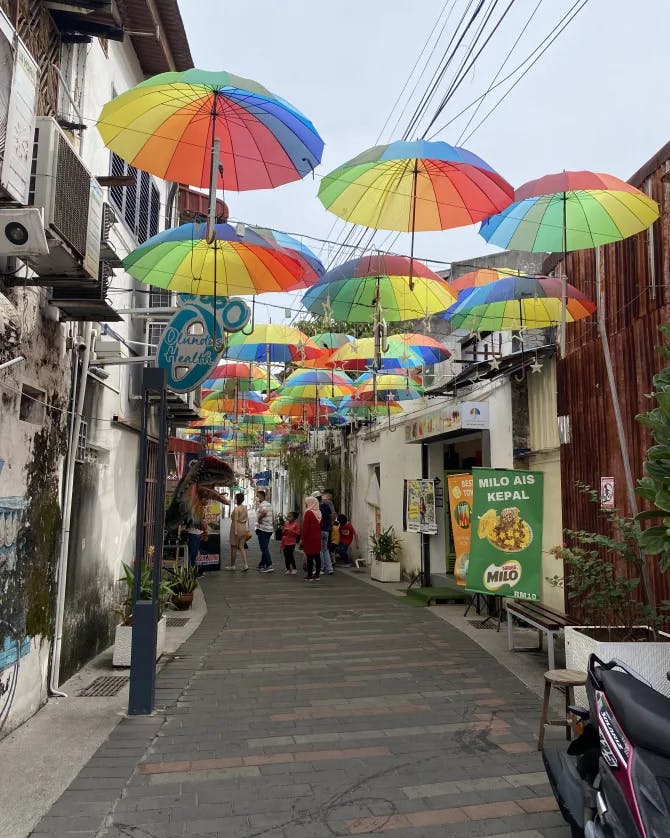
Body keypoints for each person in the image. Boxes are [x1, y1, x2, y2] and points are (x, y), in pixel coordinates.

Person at [184, 483, 230, 569]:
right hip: (194, 533)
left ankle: (192, 570)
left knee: (195, 553)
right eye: (206, 500)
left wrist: (219, 496)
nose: (207, 502)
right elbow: (200, 522)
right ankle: (190, 572)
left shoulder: (200, 507)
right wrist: (205, 530)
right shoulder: (195, 508)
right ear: (201, 499)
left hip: (198, 533)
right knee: (192, 553)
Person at [227, 492, 249, 572]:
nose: (234, 500)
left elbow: (235, 520)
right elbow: (246, 518)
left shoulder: (236, 509)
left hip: (236, 528)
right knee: (242, 546)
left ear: (237, 499)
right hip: (243, 528)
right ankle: (245, 564)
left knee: (233, 547)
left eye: (235, 498)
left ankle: (232, 565)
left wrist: (235, 530)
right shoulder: (244, 508)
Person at [302, 496, 322, 581]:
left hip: (309, 537)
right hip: (317, 536)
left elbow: (306, 527)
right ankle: (317, 574)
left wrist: (302, 538)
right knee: (317, 556)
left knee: (309, 556)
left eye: (307, 503)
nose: (306, 504)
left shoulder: (308, 513)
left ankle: (309, 575)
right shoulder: (319, 513)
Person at [317, 489, 336, 575]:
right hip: (326, 530)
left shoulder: (316, 506)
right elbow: (332, 515)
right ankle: (330, 568)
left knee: (320, 550)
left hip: (319, 530)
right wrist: (331, 525)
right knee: (325, 549)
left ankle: (321, 568)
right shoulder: (328, 504)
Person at [255, 490, 274, 572]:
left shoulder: (263, 504)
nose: (256, 497)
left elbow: (264, 512)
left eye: (257, 496)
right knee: (265, 547)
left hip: (263, 529)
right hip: (269, 529)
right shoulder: (269, 504)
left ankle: (269, 565)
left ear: (261, 496)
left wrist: (259, 518)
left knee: (264, 548)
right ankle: (262, 564)